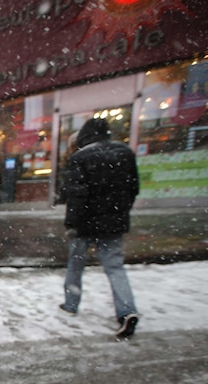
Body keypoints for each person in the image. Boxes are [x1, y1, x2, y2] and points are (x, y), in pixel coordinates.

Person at [59, 117, 139, 338]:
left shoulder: (81, 157)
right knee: (115, 267)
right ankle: (126, 311)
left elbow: (77, 196)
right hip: (113, 222)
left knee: (76, 266)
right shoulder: (125, 154)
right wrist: (120, 213)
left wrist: (71, 224)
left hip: (85, 222)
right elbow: (133, 189)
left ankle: (71, 304)